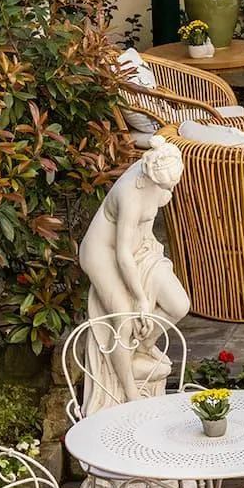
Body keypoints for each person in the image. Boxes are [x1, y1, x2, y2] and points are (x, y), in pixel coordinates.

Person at [77, 136, 190, 412]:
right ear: (149, 177)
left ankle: (140, 348)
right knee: (125, 320)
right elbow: (122, 254)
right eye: (165, 186)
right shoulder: (130, 193)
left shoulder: (159, 179)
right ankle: (130, 394)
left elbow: (141, 234)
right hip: (104, 253)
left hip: (141, 246)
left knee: (179, 305)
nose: (169, 192)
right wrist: (140, 297)